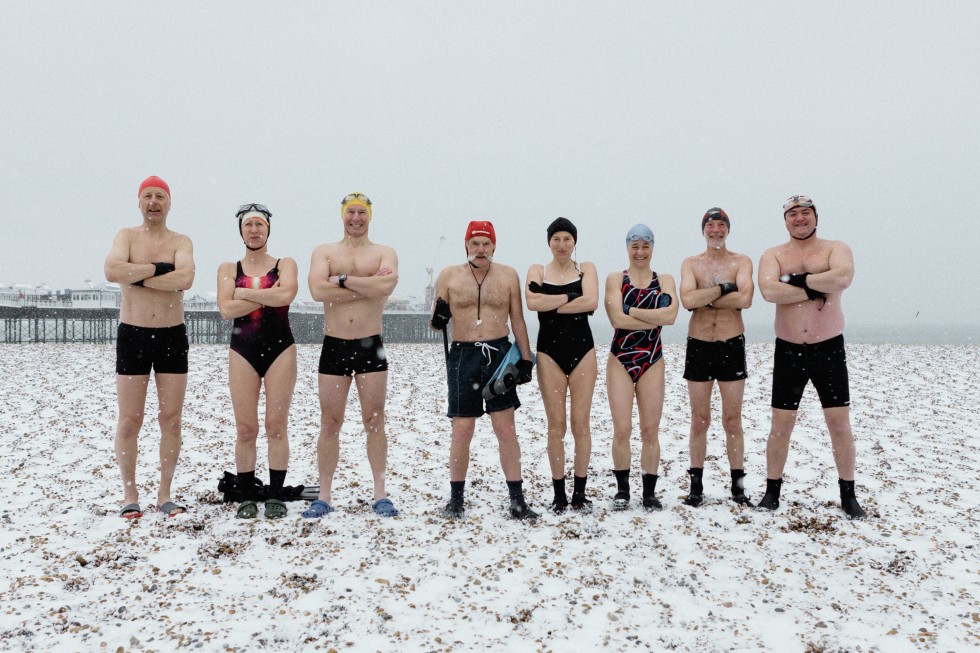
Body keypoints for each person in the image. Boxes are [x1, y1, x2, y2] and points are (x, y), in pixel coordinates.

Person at [757, 195, 866, 519]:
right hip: (789, 350)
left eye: (805, 213)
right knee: (780, 426)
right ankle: (771, 493)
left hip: (828, 349)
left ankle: (848, 495)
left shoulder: (835, 248)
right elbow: (769, 291)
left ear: (815, 217)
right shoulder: (773, 254)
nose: (800, 218)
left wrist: (796, 280)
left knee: (839, 425)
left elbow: (842, 277)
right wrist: (814, 287)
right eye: (793, 214)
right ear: (785, 221)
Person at [431, 220, 538, 520]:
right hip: (462, 355)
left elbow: (517, 319)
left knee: (506, 429)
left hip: (499, 355)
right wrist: (438, 318)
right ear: (466, 245)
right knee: (462, 429)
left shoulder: (508, 275)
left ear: (494, 246)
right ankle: (456, 500)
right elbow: (436, 323)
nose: (480, 249)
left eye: (486, 243)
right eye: (475, 243)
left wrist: (526, 358)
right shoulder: (449, 275)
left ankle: (517, 500)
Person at [103, 175, 195, 518]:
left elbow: (185, 278)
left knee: (171, 419)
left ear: (169, 203)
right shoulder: (126, 236)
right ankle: (130, 493)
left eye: (160, 196)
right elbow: (112, 270)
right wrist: (159, 270)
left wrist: (136, 275)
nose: (154, 202)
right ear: (139, 202)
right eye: (148, 196)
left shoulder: (181, 241)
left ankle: (165, 493)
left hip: (172, 336)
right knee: (130, 419)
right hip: (133, 335)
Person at [303, 192, 399, 518]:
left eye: (361, 213)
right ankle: (324, 495)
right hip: (335, 343)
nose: (356, 218)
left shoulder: (384, 252)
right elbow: (317, 291)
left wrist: (342, 280)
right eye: (351, 212)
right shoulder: (324, 251)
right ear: (342, 215)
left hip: (371, 344)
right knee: (330, 422)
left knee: (375, 420)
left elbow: (386, 287)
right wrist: (367, 285)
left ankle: (380, 493)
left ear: (370, 216)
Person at [217, 203, 298, 520]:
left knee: (276, 426)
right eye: (248, 225)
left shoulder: (284, 264)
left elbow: (286, 296)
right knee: (245, 428)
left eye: (259, 225)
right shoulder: (228, 268)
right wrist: (267, 296)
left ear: (268, 229)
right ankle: (247, 496)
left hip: (281, 349)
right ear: (241, 231)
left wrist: (242, 295)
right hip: (242, 350)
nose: (254, 230)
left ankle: (275, 495)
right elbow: (226, 310)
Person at [678, 208, 755, 507]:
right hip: (699, 345)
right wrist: (724, 290)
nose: (715, 231)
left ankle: (738, 486)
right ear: (703, 230)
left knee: (732, 421)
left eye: (721, 225)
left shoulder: (741, 261)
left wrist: (705, 297)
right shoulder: (691, 263)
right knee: (699, 420)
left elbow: (745, 299)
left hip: (730, 344)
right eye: (710, 225)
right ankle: (695, 486)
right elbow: (687, 299)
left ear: (728, 230)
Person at [525, 217, 598, 513]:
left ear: (574, 241)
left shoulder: (586, 269)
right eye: (556, 239)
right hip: (549, 353)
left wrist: (550, 300)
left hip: (583, 351)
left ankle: (579, 493)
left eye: (567, 239)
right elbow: (532, 303)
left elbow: (591, 302)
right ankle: (559, 495)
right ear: (549, 242)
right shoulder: (538, 270)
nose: (562, 244)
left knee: (581, 424)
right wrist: (571, 296)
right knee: (556, 426)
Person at [604, 224, 678, 511]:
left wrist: (631, 310)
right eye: (635, 246)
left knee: (650, 430)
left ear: (652, 248)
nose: (640, 252)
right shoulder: (615, 279)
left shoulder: (665, 279)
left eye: (645, 246)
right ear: (627, 248)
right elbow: (616, 319)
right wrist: (652, 316)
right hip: (620, 359)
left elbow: (670, 317)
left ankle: (649, 493)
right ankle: (622, 490)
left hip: (652, 359)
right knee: (622, 430)